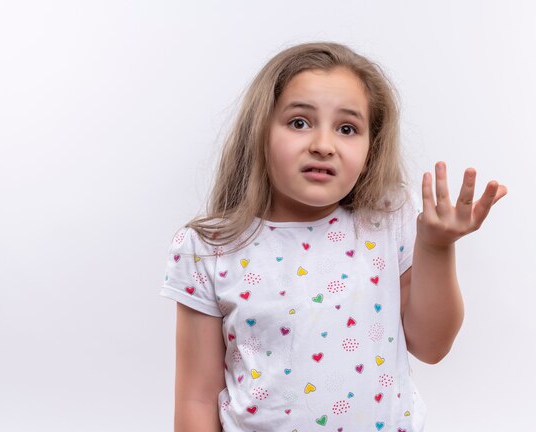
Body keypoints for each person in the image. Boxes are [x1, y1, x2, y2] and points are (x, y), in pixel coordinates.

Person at [159, 41, 507, 432]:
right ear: (260, 133)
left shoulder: (387, 221)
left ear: (370, 147)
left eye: (347, 128)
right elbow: (196, 398)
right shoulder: (209, 248)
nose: (323, 146)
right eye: (299, 122)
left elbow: (431, 346)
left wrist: (437, 247)